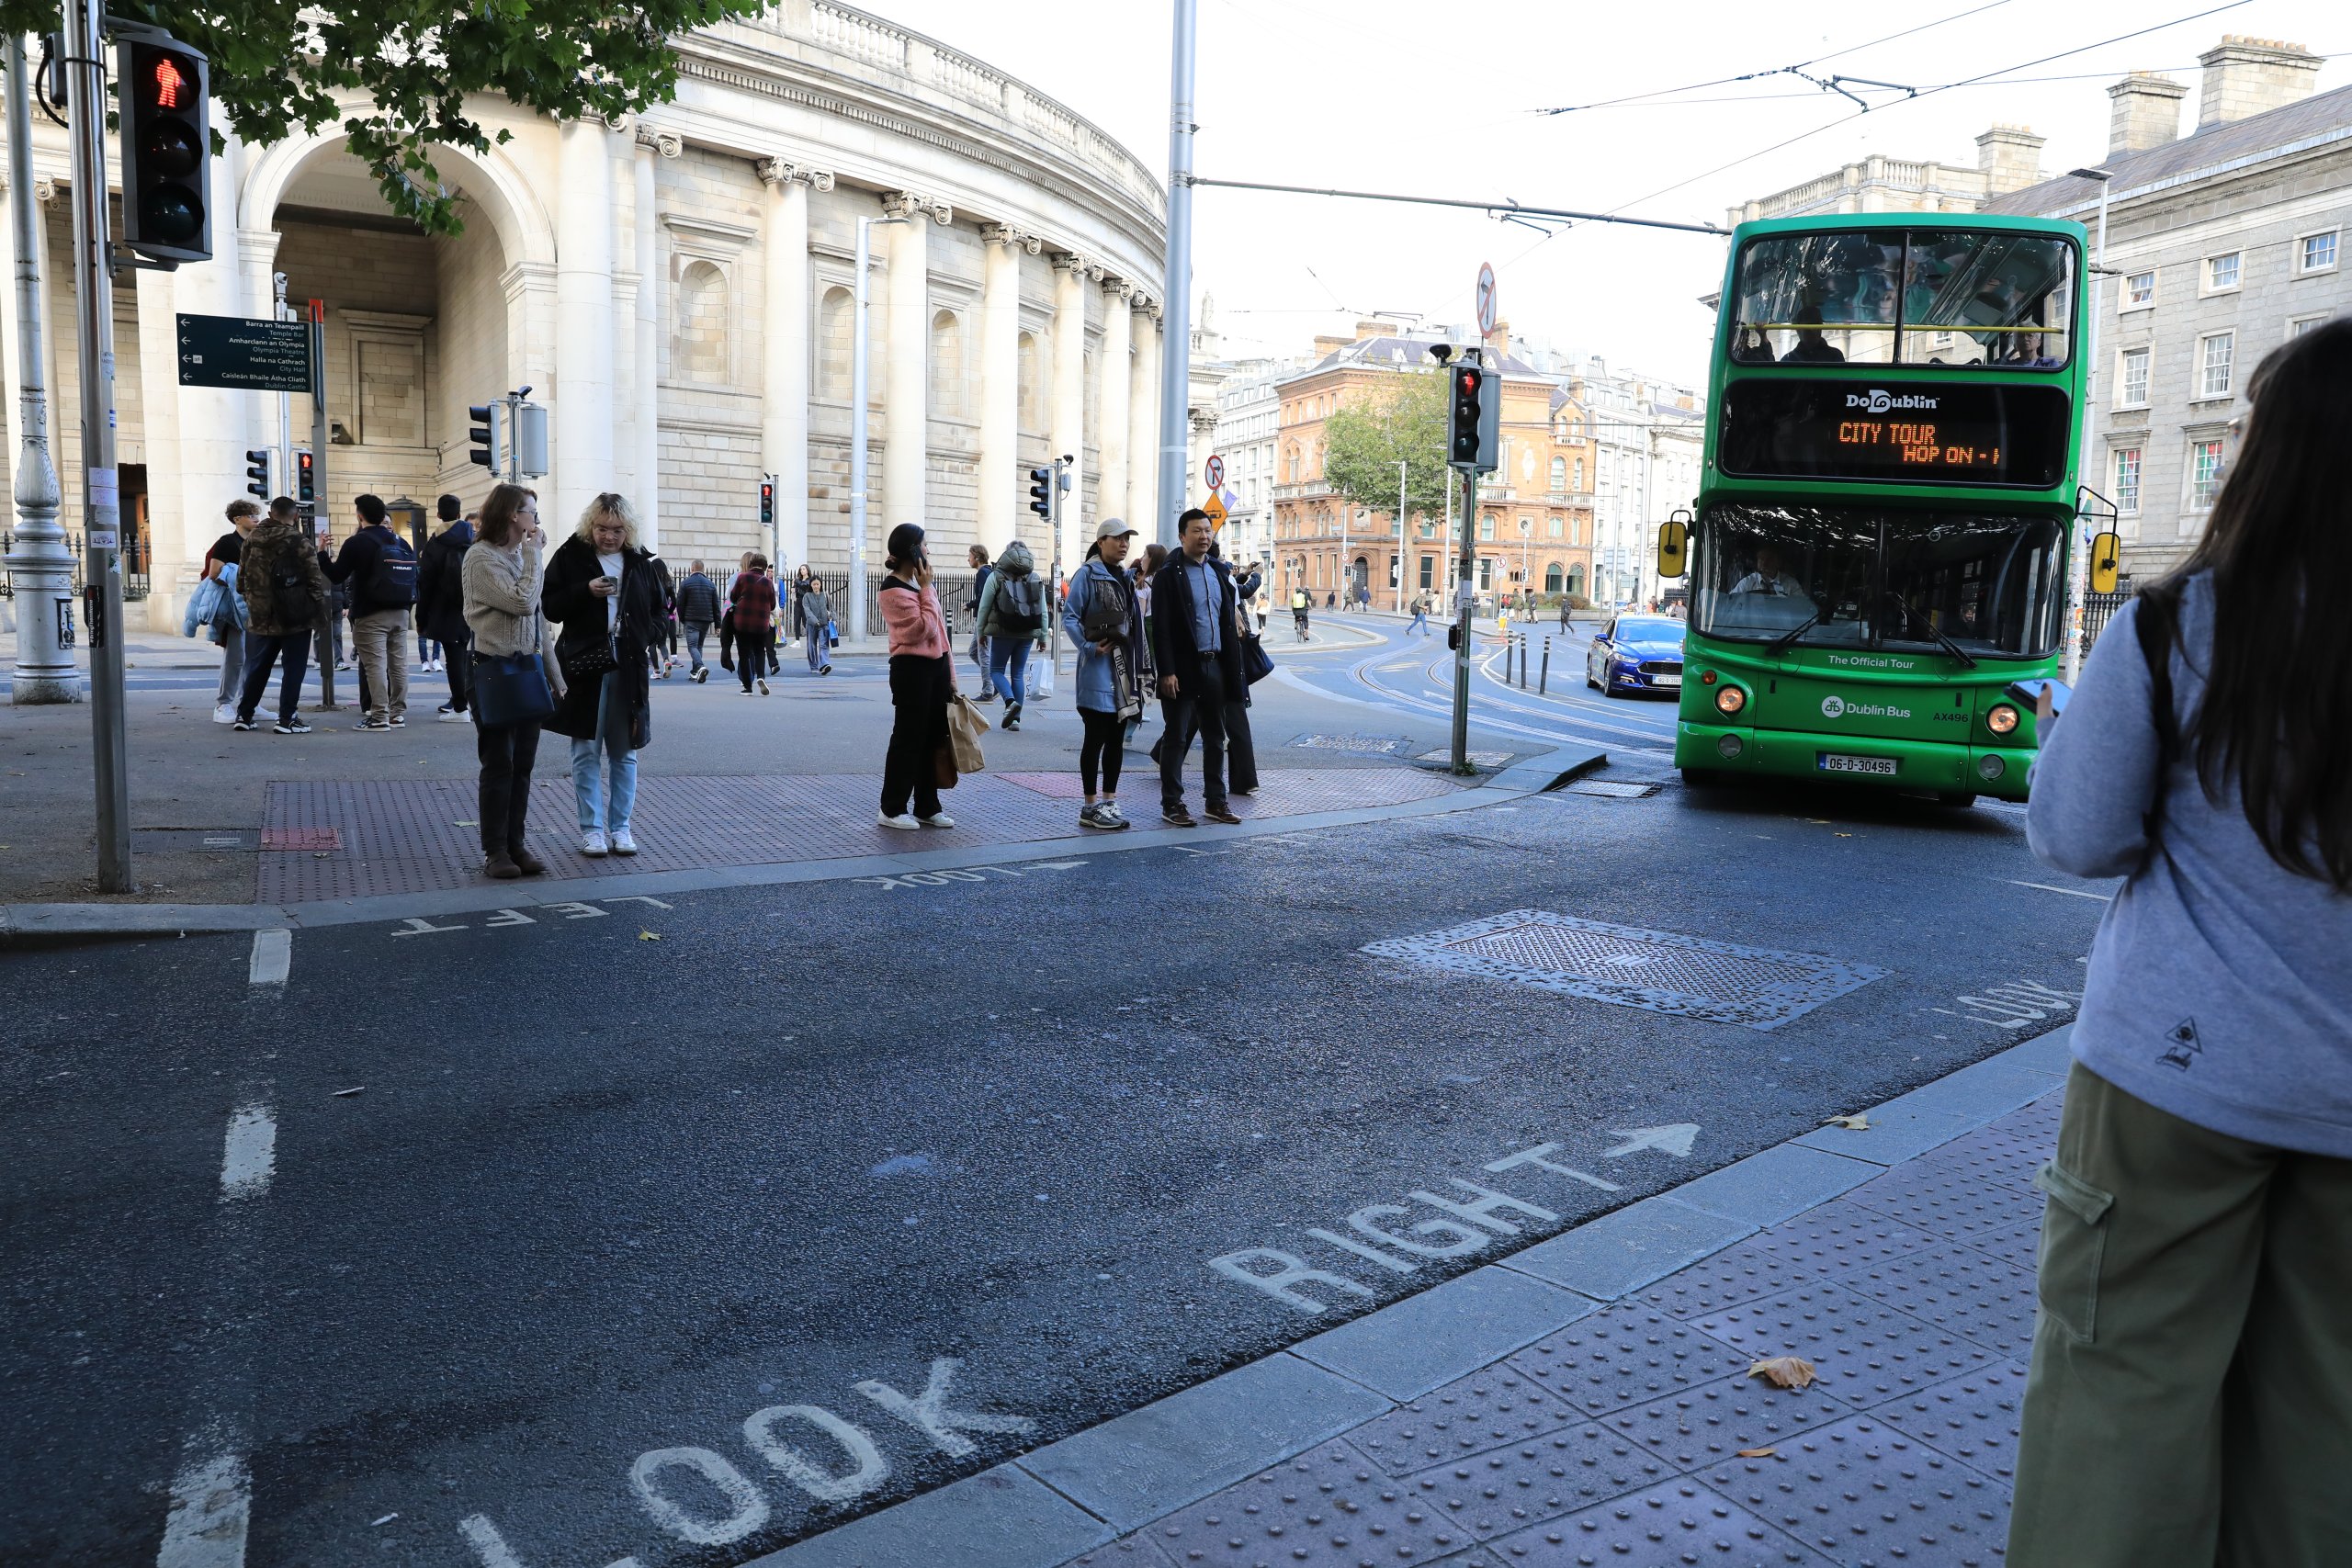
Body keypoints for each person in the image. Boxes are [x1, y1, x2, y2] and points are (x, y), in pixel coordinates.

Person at [2008, 321, 2352, 1568]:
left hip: (2175, 1074)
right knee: (2328, 1422)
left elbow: (2077, 835)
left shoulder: (2180, 629)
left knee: (2122, 1387)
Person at [544, 492, 661, 857]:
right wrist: (585, 591)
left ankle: (621, 828)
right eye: (601, 528)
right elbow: (549, 606)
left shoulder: (642, 562)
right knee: (586, 751)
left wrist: (643, 636)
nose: (609, 537)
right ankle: (592, 830)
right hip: (584, 666)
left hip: (628, 666)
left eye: (617, 530)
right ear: (589, 526)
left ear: (629, 530)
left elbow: (661, 613)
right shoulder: (571, 556)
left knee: (625, 753)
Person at [460, 483, 548, 880]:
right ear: (514, 514)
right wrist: (533, 556)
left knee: (524, 764)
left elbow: (538, 622)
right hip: (493, 669)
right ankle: (495, 850)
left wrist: (555, 676)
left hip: (526, 669)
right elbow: (520, 602)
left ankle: (516, 844)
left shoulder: (518, 557)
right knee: (499, 763)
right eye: (532, 511)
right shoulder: (481, 558)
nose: (536, 520)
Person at [1151, 508, 1243, 828]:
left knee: (1216, 737)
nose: (1204, 536)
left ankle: (1215, 801)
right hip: (1182, 669)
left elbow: (1226, 623)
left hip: (1215, 665)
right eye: (1197, 531)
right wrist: (1166, 671)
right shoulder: (1168, 574)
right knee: (1176, 737)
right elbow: (1160, 627)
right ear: (1182, 536)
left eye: (1208, 530)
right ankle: (1172, 803)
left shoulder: (1218, 572)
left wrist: (1234, 671)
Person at [1062, 519, 1147, 830]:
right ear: (1101, 542)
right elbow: (1069, 616)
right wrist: (1087, 646)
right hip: (1097, 671)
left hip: (1123, 674)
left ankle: (1110, 801)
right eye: (1117, 539)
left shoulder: (1125, 578)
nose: (1124, 544)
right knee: (1095, 739)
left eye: (1127, 539)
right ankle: (1089, 805)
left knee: (1115, 741)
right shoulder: (1087, 574)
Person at [876, 522, 956, 830]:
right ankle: (892, 808)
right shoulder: (892, 590)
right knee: (908, 739)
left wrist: (950, 674)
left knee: (933, 739)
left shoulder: (923, 585)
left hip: (935, 668)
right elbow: (920, 631)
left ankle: (927, 806)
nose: (928, 550)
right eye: (924, 545)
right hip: (911, 669)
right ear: (912, 549)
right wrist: (925, 589)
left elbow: (940, 635)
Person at [231, 497, 333, 734]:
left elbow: (241, 580)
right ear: (295, 515)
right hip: (294, 615)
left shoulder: (251, 539)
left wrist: (255, 601)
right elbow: (313, 579)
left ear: (270, 513)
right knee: (294, 667)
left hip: (260, 616)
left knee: (258, 667)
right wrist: (317, 611)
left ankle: (244, 715)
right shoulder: (298, 540)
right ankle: (287, 718)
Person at [322, 493, 419, 730]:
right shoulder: (400, 542)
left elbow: (336, 575)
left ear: (360, 515)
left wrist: (321, 553)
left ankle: (379, 717)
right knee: (398, 664)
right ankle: (397, 714)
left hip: (370, 612)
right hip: (401, 611)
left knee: (375, 665)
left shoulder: (357, 542)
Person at [414, 494, 475, 723]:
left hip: (445, 608)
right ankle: (475, 703)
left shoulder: (434, 544)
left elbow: (426, 584)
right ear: (460, 515)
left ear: (438, 514)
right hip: (472, 606)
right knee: (472, 657)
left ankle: (460, 707)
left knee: (454, 658)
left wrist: (422, 618)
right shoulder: (474, 538)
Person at [975, 537, 1045, 729]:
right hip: (1027, 632)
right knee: (1018, 674)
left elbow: (984, 606)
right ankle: (1016, 720)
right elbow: (1043, 609)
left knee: (996, 671)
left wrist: (981, 632)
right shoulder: (1034, 577)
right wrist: (1043, 636)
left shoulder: (997, 576)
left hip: (1002, 632)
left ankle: (1009, 702)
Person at [202, 500, 259, 723]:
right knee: (236, 657)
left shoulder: (256, 541)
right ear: (237, 519)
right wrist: (238, 576)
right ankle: (224, 704)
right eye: (251, 514)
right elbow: (214, 572)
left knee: (253, 658)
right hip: (235, 608)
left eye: (257, 514)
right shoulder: (228, 542)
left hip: (256, 606)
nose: (256, 518)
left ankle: (250, 702)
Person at [730, 554, 779, 694]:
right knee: (759, 651)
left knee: (744, 654)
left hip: (742, 622)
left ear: (751, 564)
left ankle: (747, 687)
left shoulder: (742, 578)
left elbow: (733, 597)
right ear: (764, 567)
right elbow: (772, 604)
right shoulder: (768, 582)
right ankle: (761, 677)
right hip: (760, 623)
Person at [675, 558, 720, 682]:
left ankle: (700, 666)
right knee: (699, 646)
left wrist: (683, 618)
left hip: (691, 619)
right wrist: (718, 625)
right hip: (706, 620)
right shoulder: (711, 584)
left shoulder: (685, 583)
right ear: (703, 569)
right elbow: (716, 606)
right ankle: (695, 672)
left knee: (692, 646)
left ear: (692, 569)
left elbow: (680, 604)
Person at [964, 544, 996, 702]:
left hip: (985, 620)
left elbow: (984, 596)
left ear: (977, 557)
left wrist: (969, 605)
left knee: (983, 655)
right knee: (973, 652)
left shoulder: (983, 573)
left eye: (969, 556)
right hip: (984, 619)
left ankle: (988, 691)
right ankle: (994, 682)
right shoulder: (987, 572)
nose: (968, 559)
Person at [1730, 542, 1805, 597]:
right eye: (1761, 559)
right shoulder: (1747, 582)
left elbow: (1801, 607)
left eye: (1769, 559)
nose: (1765, 563)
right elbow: (1731, 602)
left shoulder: (1791, 585)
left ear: (1778, 562)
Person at [1780, 303, 1847, 364]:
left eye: (1816, 325)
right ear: (1798, 330)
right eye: (1808, 326)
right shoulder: (1788, 359)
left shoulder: (1835, 355)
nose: (1813, 330)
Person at [802, 573, 833, 674]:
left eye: (818, 584)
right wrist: (815, 620)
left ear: (821, 585)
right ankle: (814, 666)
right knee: (812, 646)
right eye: (814, 584)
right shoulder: (807, 596)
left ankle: (825, 664)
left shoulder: (825, 595)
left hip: (824, 624)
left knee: (824, 645)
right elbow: (807, 610)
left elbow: (831, 609)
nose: (816, 586)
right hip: (812, 625)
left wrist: (833, 618)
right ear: (811, 585)